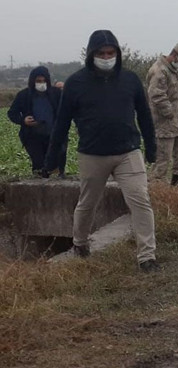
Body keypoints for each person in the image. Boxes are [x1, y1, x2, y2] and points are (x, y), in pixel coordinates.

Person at [44, 30, 160, 272]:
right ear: (91, 55)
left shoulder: (130, 80)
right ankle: (80, 243)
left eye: (111, 53)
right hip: (92, 154)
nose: (106, 57)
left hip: (128, 152)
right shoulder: (75, 84)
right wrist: (51, 159)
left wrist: (151, 146)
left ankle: (147, 257)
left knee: (140, 200)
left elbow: (145, 116)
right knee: (88, 203)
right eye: (101, 53)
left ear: (117, 53)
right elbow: (62, 124)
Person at [146, 43, 178, 186]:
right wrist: (170, 114)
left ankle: (177, 180)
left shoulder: (173, 71)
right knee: (163, 158)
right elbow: (157, 96)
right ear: (176, 56)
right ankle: (157, 187)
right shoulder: (159, 70)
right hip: (164, 123)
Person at [7, 66, 67, 177]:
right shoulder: (24, 95)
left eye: (44, 81)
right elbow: (12, 113)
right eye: (38, 81)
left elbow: (68, 107)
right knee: (39, 166)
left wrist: (65, 88)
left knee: (56, 166)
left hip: (54, 136)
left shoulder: (56, 94)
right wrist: (23, 120)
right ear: (32, 81)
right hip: (33, 137)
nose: (41, 83)